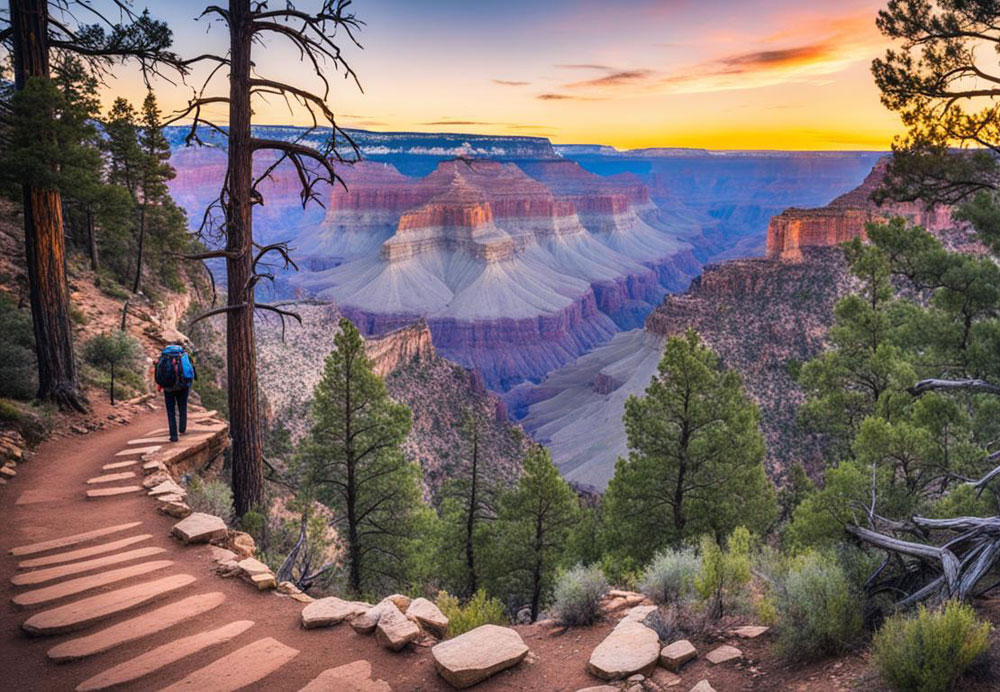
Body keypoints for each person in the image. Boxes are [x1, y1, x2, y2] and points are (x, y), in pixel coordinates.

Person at [153, 343, 197, 442]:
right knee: (182, 406)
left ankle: (173, 436)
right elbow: (191, 372)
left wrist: (161, 386)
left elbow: (158, 374)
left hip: (168, 388)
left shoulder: (163, 357)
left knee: (171, 411)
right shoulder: (183, 356)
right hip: (183, 386)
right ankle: (182, 429)